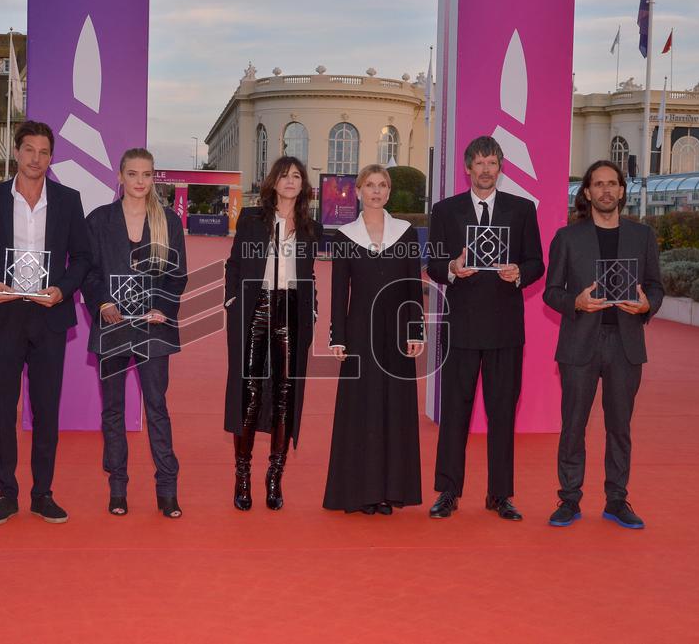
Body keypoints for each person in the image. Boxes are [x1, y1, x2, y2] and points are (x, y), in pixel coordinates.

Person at [0, 120, 92, 526]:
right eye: (30, 149)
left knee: (47, 409)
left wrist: (64, 290)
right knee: (3, 407)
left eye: (44, 152)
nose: (36, 158)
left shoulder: (69, 200)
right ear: (16, 152)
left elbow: (83, 258)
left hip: (50, 316)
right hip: (4, 315)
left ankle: (43, 493)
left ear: (51, 158)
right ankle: (5, 493)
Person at [425, 136, 544, 521]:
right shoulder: (445, 210)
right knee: (455, 414)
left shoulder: (522, 209)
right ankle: (448, 491)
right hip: (461, 326)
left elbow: (536, 262)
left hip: (506, 329)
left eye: (491, 162)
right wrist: (452, 269)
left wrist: (520, 273)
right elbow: (432, 263)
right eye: (478, 163)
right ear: (467, 169)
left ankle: (500, 494)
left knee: (502, 414)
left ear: (501, 167)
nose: (485, 170)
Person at [543, 160, 663, 529]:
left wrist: (647, 305)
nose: (606, 190)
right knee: (573, 425)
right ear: (588, 192)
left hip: (625, 345)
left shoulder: (642, 236)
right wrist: (575, 303)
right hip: (580, 343)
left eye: (613, 184)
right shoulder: (568, 237)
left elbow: (656, 286)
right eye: (598, 184)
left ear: (622, 191)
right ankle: (568, 499)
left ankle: (617, 499)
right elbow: (551, 291)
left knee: (620, 427)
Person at [82, 148, 187, 518]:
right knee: (112, 410)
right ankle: (118, 488)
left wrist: (164, 307)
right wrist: (101, 304)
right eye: (132, 174)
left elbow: (178, 276)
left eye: (146, 174)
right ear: (120, 177)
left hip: (153, 329)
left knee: (157, 408)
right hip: (112, 328)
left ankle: (167, 490)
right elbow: (88, 271)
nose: (140, 181)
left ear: (152, 178)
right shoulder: (98, 221)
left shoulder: (169, 222)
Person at [323, 164, 424, 515]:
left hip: (397, 334)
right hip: (359, 333)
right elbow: (339, 292)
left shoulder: (407, 234)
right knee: (362, 410)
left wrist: (416, 330)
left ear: (389, 191)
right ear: (359, 191)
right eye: (370, 185)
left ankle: (391, 491)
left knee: (395, 408)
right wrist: (337, 337)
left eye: (382, 185)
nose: (376, 191)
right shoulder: (345, 236)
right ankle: (362, 492)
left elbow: (414, 285)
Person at [223, 156, 323, 511]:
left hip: (293, 309)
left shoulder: (311, 226)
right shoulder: (252, 219)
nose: (291, 181)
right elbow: (234, 264)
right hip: (256, 305)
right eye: (285, 175)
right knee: (249, 390)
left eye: (297, 176)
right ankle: (243, 475)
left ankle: (274, 477)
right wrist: (232, 301)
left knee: (285, 391)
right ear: (274, 182)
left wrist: (311, 307)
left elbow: (309, 274)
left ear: (303, 184)